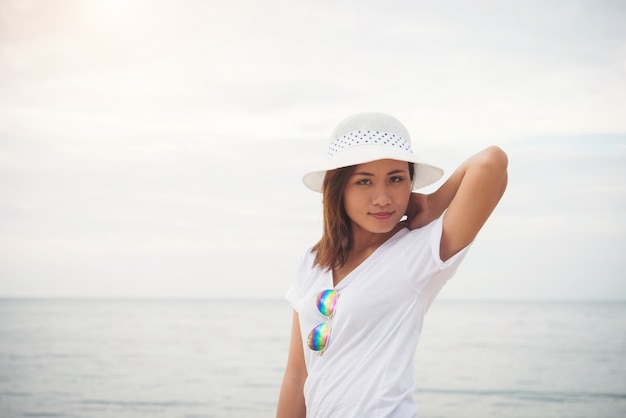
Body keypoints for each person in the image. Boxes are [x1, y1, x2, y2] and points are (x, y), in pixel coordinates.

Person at [276, 112, 508, 418]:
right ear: (338, 189)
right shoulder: (312, 262)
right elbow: (297, 378)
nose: (383, 198)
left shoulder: (419, 254)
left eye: (396, 179)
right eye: (364, 181)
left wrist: (435, 203)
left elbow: (491, 162)